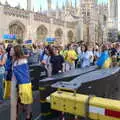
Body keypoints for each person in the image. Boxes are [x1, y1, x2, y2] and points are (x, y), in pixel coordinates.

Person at [11, 45, 33, 120]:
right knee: (20, 101)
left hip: (24, 83)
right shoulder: (15, 60)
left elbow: (24, 74)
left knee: (27, 100)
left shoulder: (22, 60)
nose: (11, 51)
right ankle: (22, 114)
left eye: (12, 50)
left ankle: (28, 115)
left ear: (16, 51)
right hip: (18, 83)